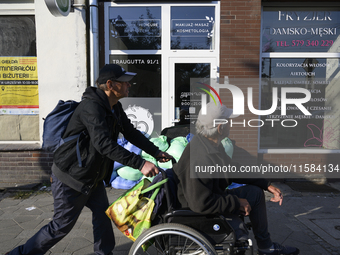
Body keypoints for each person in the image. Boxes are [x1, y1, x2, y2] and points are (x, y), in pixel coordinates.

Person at [7, 64, 172, 255]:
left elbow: (131, 133)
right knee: (61, 226)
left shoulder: (114, 107)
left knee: (102, 215)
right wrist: (141, 164)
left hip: (91, 176)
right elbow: (104, 144)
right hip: (71, 177)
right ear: (110, 84)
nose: (129, 85)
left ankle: (104, 253)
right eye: (124, 82)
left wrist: (156, 152)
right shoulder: (91, 107)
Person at [172, 101, 299, 255]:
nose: (231, 124)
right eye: (229, 121)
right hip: (197, 212)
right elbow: (200, 203)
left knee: (255, 193)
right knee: (246, 205)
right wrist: (236, 202)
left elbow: (234, 169)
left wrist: (266, 184)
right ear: (220, 127)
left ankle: (266, 247)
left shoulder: (210, 145)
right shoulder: (200, 158)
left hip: (210, 198)